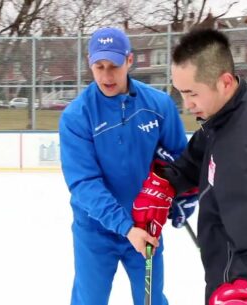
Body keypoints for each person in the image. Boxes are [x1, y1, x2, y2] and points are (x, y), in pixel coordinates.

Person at [133, 28, 247, 305]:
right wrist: (167, 182)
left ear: (224, 82)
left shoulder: (245, 146)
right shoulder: (230, 110)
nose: (186, 104)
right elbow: (198, 155)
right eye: (180, 93)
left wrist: (244, 290)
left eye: (192, 93)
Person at [59, 27, 188, 305]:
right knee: (89, 300)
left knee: (151, 300)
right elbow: (83, 183)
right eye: (99, 66)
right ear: (89, 63)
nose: (106, 75)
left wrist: (184, 191)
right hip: (95, 231)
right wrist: (126, 228)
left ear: (130, 61)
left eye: (114, 66)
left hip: (147, 224)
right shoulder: (76, 116)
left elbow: (182, 158)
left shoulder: (159, 105)